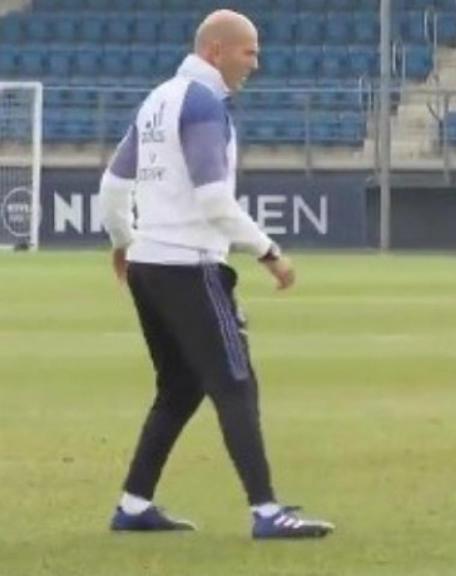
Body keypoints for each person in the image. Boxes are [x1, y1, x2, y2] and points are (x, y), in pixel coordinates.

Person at [97, 9, 333, 539]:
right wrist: (268, 251)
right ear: (216, 51)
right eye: (249, 51)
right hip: (190, 266)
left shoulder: (158, 98)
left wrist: (122, 243)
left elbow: (113, 185)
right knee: (235, 383)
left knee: (180, 387)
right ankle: (267, 512)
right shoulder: (203, 104)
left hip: (149, 266)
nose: (256, 62)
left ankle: (134, 505)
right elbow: (212, 199)